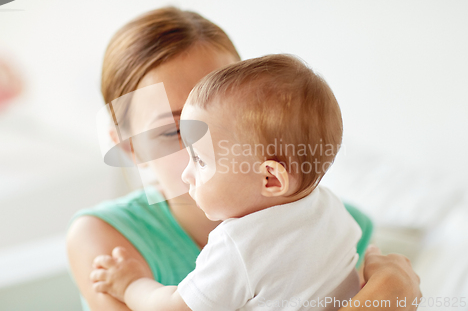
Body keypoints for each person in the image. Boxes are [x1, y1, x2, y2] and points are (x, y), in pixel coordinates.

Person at [67, 6, 421, 311]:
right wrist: (388, 294)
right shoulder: (103, 240)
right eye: (176, 131)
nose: (205, 148)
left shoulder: (341, 222)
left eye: (228, 125)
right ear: (129, 146)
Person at [89, 54, 367, 310]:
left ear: (270, 178)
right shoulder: (329, 207)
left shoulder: (238, 245)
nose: (188, 174)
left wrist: (130, 285)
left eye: (200, 161)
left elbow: (173, 308)